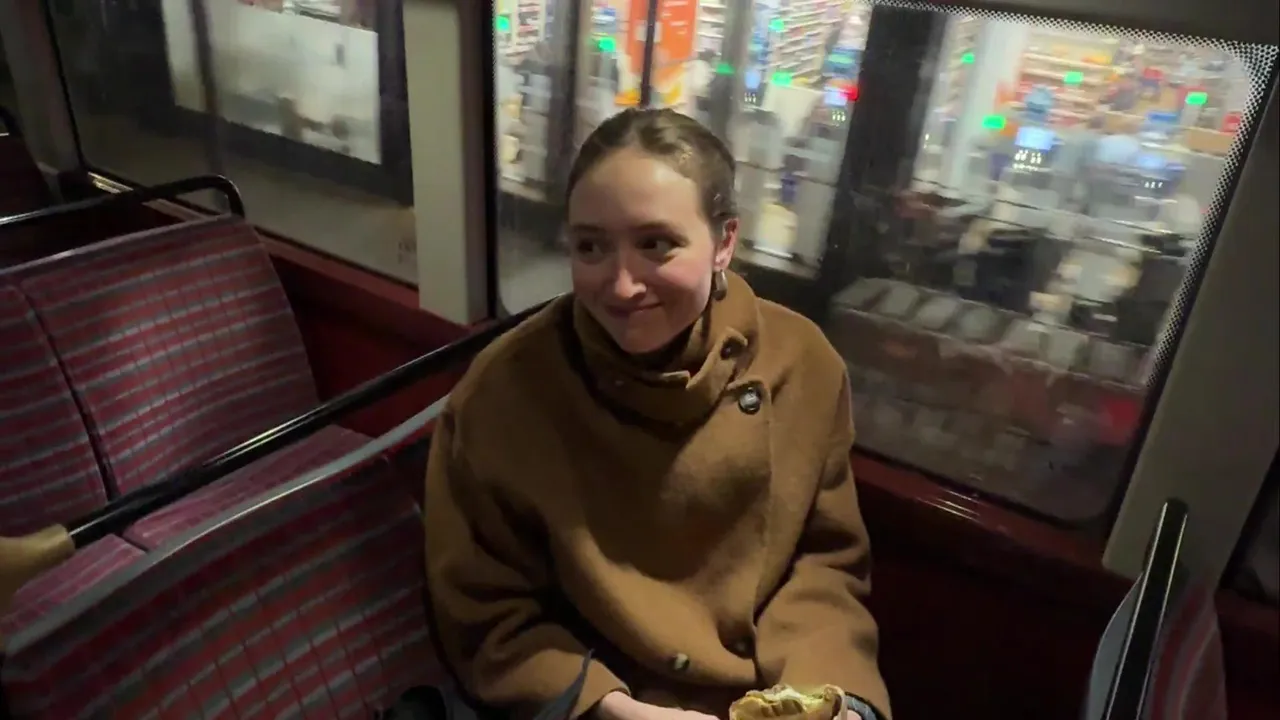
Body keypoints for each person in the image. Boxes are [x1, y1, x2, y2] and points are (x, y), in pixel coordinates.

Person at [423, 108, 890, 720]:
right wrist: (614, 708)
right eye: (591, 247)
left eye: (655, 245)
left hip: (766, 688)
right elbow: (485, 614)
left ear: (724, 243)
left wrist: (825, 699)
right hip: (599, 697)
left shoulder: (802, 363)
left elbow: (823, 569)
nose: (621, 286)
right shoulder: (505, 391)